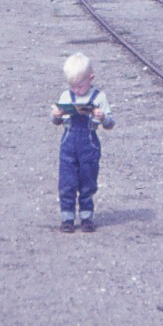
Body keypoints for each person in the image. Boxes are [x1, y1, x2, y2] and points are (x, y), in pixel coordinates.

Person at [49, 52, 114, 233]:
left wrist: (102, 118)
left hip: (89, 146)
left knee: (88, 181)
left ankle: (86, 216)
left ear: (90, 78)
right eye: (73, 86)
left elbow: (110, 123)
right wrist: (56, 116)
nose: (77, 90)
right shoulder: (65, 96)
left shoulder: (99, 98)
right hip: (68, 147)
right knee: (67, 182)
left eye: (81, 86)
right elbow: (56, 122)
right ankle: (67, 217)